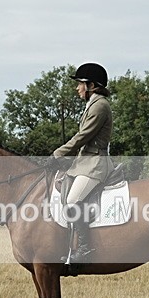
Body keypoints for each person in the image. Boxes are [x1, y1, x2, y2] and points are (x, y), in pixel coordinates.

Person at [51, 62, 114, 264]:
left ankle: (85, 249)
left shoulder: (100, 105)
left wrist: (59, 153)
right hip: (84, 162)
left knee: (73, 201)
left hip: (95, 163)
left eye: (80, 84)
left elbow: (84, 136)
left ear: (92, 85)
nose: (77, 88)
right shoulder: (92, 104)